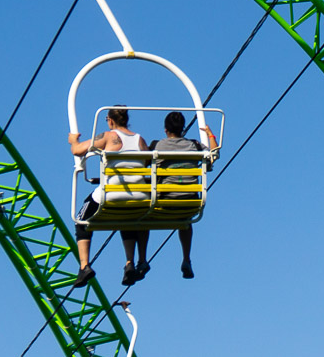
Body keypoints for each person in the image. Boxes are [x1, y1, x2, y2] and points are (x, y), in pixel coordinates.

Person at [68, 106, 152, 288]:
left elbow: (78, 150)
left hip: (111, 194)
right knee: (126, 216)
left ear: (111, 120)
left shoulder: (109, 136)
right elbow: (146, 163)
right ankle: (130, 262)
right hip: (139, 196)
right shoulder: (140, 140)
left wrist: (73, 140)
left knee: (81, 219)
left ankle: (84, 266)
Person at [148, 111, 220, 279]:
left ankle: (141, 259)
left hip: (165, 201)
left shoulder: (158, 146)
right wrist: (210, 134)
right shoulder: (195, 146)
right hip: (190, 202)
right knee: (185, 220)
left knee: (141, 215)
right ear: (182, 129)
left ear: (166, 129)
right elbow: (214, 154)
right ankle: (186, 258)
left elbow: (143, 164)